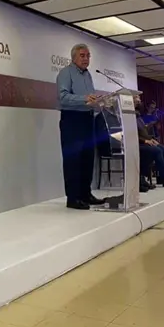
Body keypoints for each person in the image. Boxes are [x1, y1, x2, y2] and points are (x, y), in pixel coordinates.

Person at [57, 43, 103, 210]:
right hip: (72, 120)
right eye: (82, 56)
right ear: (73, 57)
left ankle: (85, 194)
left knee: (87, 159)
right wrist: (84, 99)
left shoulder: (88, 75)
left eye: (88, 56)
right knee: (73, 160)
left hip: (87, 119)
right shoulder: (66, 73)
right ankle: (73, 198)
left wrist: (98, 102)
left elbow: (89, 98)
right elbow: (62, 97)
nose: (86, 59)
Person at [135, 96, 164, 187]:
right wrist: (145, 141)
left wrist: (150, 139)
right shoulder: (132, 117)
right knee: (157, 150)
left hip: (146, 141)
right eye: (137, 98)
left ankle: (161, 177)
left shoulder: (138, 117)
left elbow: (143, 132)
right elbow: (132, 134)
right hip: (139, 144)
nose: (139, 100)